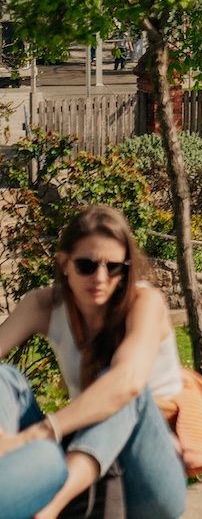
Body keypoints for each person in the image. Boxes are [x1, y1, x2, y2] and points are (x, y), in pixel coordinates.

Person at [0, 204, 188, 519]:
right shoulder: (43, 305)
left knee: (123, 386)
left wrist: (43, 431)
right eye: (87, 265)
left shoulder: (145, 302)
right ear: (64, 264)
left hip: (148, 479)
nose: (100, 278)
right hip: (83, 460)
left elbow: (127, 382)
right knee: (5, 378)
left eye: (114, 267)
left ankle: (47, 509)